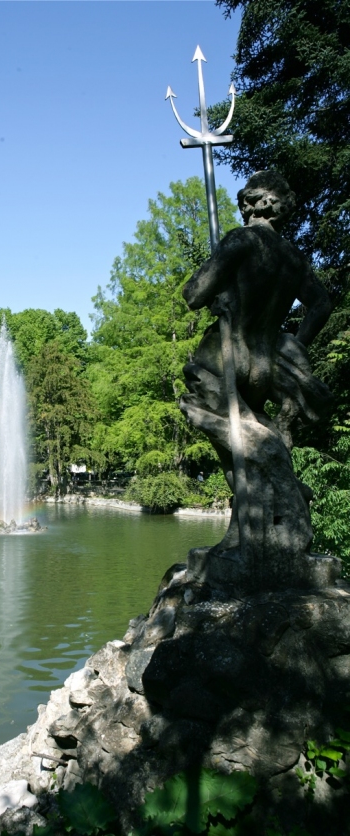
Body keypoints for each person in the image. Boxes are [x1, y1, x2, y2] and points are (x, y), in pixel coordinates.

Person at [180, 170, 332, 571]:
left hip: (224, 355)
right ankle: (245, 531)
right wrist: (293, 343)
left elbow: (194, 294)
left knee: (238, 444)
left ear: (257, 202)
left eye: (247, 198)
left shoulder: (241, 240)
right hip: (264, 365)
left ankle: (272, 523)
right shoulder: (293, 259)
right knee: (242, 442)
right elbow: (321, 306)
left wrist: (220, 291)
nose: (243, 204)